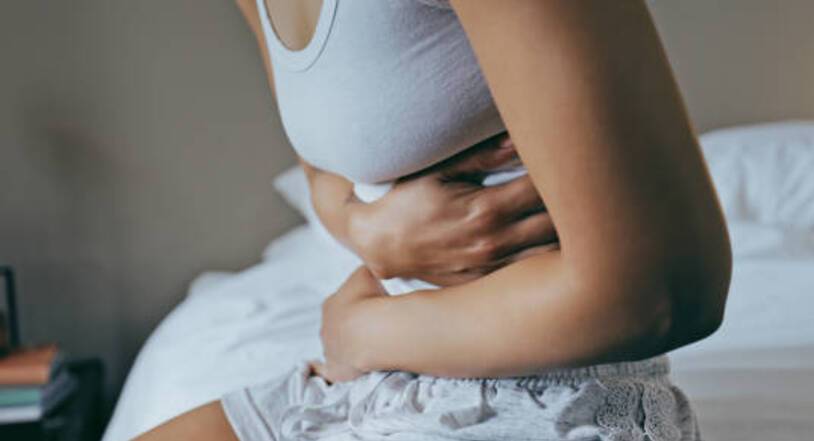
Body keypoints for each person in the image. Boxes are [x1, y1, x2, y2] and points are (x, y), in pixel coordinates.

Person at [135, 0, 732, 440]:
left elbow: (668, 292)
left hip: (550, 395)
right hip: (384, 384)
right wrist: (370, 231)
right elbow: (323, 170)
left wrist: (362, 332)